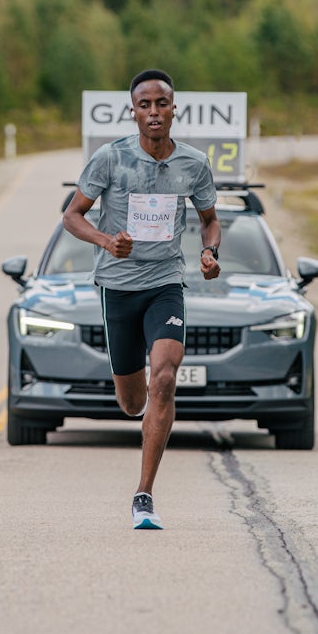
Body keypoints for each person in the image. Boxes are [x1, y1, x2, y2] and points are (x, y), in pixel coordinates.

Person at [63, 69, 221, 530]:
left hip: (165, 282)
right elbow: (72, 216)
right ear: (133, 112)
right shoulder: (109, 159)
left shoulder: (194, 164)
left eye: (162, 104)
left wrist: (209, 251)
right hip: (118, 285)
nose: (154, 112)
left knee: (166, 378)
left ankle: (144, 494)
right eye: (145, 105)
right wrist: (106, 241)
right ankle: (136, 408)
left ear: (175, 109)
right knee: (132, 402)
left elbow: (210, 219)